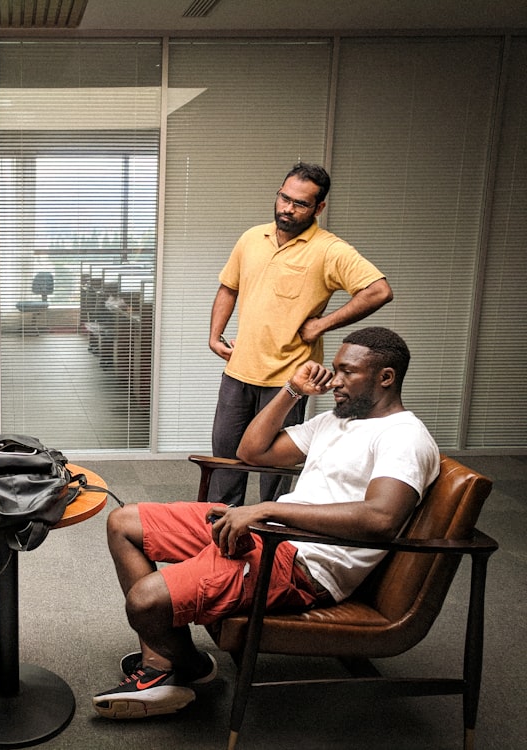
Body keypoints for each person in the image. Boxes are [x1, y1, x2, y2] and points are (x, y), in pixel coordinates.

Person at [93, 327, 439, 720]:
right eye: (335, 368)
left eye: (348, 372)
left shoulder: (404, 437)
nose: (335, 380)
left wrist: (269, 510)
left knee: (144, 602)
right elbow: (252, 450)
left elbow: (381, 518)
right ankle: (172, 663)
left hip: (305, 566)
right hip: (272, 535)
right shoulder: (334, 420)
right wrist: (292, 390)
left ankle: (176, 665)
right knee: (124, 522)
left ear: (386, 377)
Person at [208, 163, 393, 506]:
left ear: (319, 208)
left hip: (288, 379)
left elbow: (378, 291)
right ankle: (220, 536)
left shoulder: (329, 250)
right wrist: (215, 335)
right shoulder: (252, 238)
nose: (287, 208)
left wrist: (323, 324)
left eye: (300, 203)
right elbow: (228, 288)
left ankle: (270, 534)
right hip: (239, 370)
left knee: (273, 469)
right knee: (225, 461)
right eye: (283, 198)